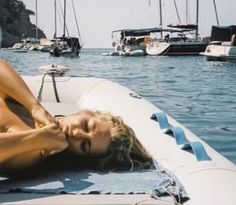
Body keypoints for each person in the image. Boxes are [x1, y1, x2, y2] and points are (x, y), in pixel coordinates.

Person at [0, 59, 153, 173]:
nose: (77, 134)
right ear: (84, 113)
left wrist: (39, 138)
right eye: (86, 125)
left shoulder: (32, 152)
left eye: (84, 145)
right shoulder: (26, 104)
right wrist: (35, 107)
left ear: (78, 157)